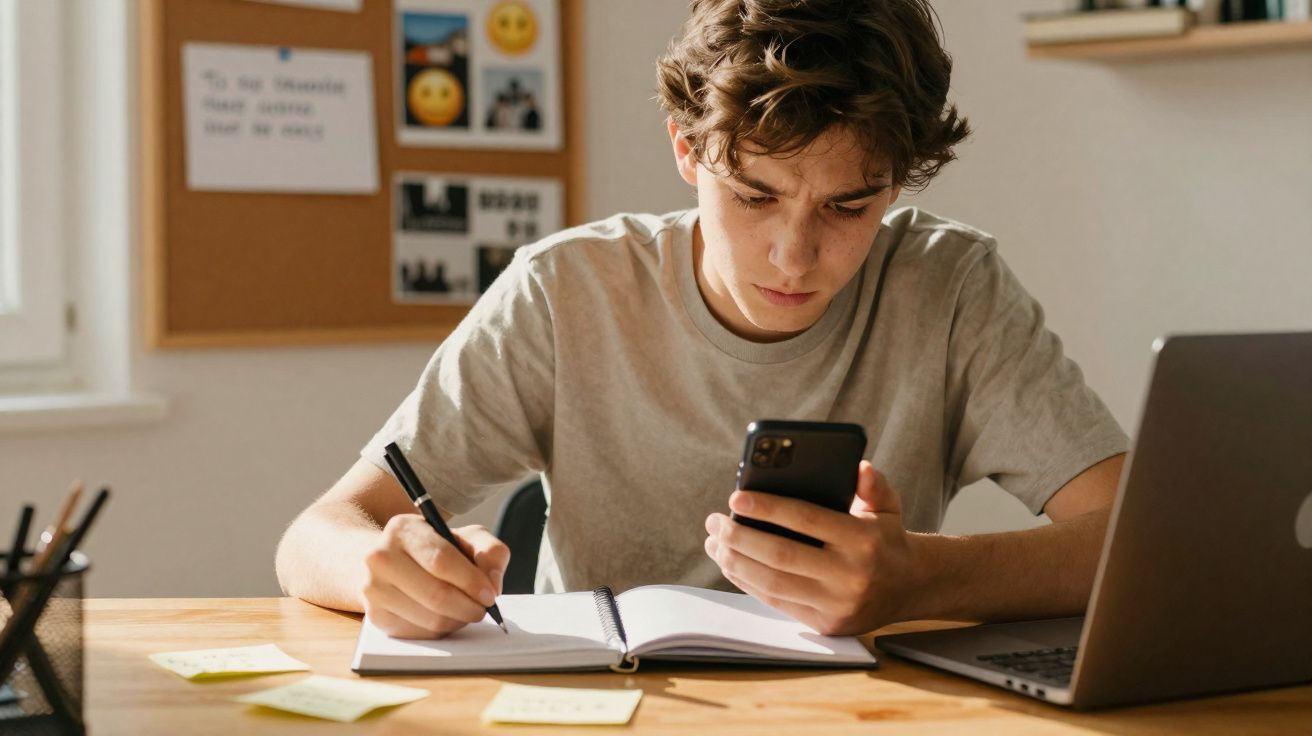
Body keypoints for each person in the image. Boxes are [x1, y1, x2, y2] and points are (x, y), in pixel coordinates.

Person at [276, 0, 1127, 640]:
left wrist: (922, 578)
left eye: (849, 205)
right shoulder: (566, 291)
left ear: (898, 181)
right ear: (687, 149)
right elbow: (315, 535)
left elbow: (1138, 541)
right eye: (755, 196)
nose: (796, 257)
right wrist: (381, 569)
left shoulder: (950, 288)